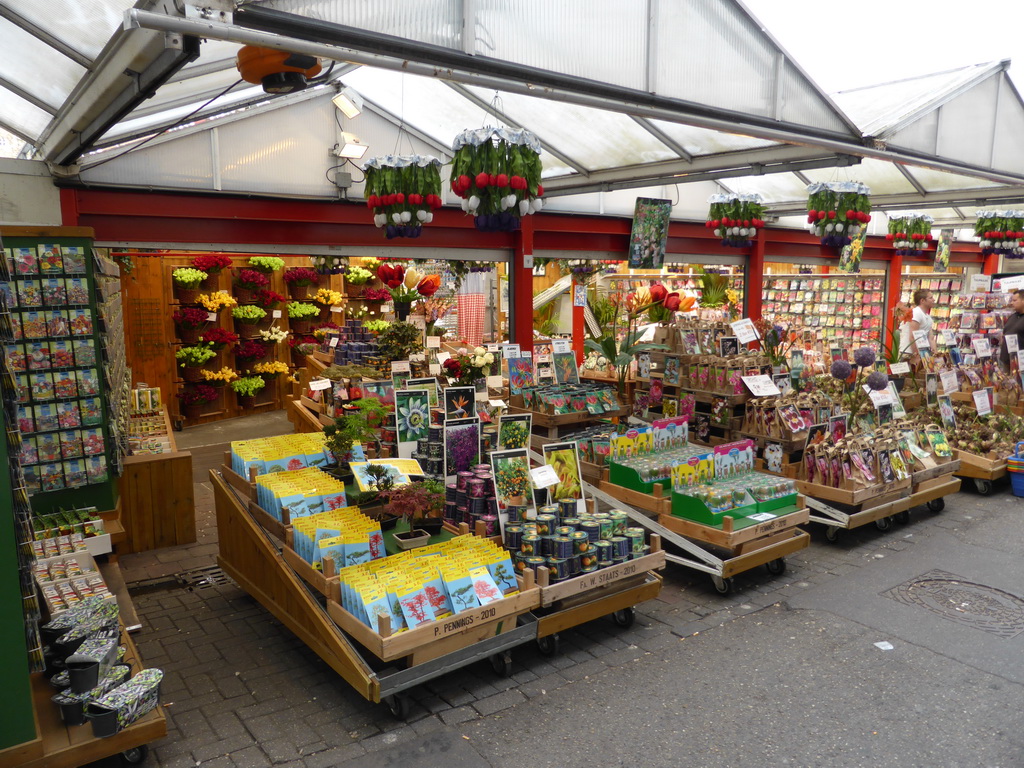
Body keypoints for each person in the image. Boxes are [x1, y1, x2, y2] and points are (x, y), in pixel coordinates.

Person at [899, 289, 935, 361]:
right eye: (930, 298)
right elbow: (912, 337)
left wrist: (935, 355)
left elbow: (931, 338)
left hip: (922, 353)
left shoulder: (928, 317)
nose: (933, 300)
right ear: (922, 301)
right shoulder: (916, 313)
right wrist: (916, 355)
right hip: (909, 353)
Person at [999, 289, 1024, 371]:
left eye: (1014, 300)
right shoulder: (1012, 316)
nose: (1012, 303)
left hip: (1020, 364)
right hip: (1006, 361)